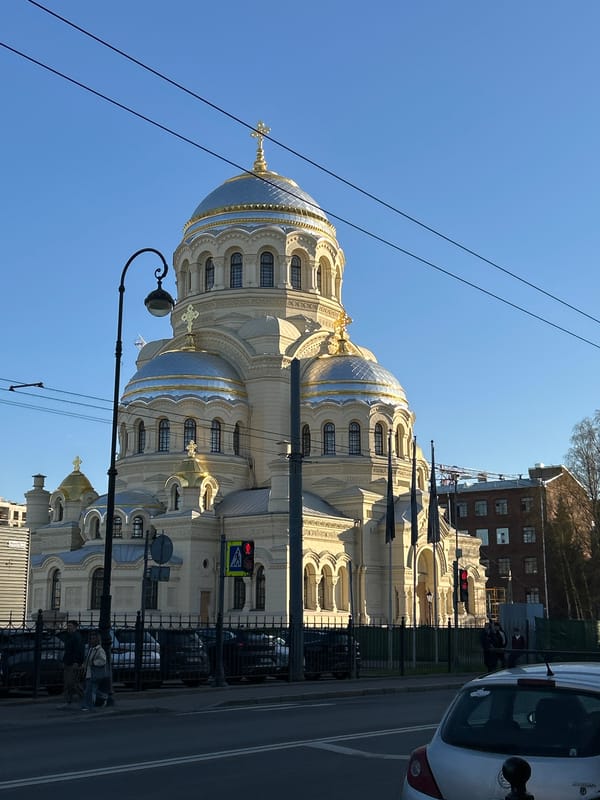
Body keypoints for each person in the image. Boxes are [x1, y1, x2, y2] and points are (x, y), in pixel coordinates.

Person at [81, 630, 108, 711]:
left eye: (93, 639)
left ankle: (88, 706)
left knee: (89, 691)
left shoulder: (99, 650)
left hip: (94, 673)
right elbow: (88, 659)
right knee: (92, 690)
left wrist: (93, 662)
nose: (91, 640)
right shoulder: (91, 649)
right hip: (89, 672)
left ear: (97, 640)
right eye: (91, 639)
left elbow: (103, 660)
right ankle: (104, 698)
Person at [61, 620, 85, 707]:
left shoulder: (76, 637)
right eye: (68, 625)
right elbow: (67, 651)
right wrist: (64, 661)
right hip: (68, 662)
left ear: (75, 627)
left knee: (72, 683)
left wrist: (77, 662)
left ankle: (83, 698)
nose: (68, 627)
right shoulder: (69, 636)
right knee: (68, 683)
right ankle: (68, 700)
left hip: (73, 663)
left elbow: (78, 651)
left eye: (70, 626)